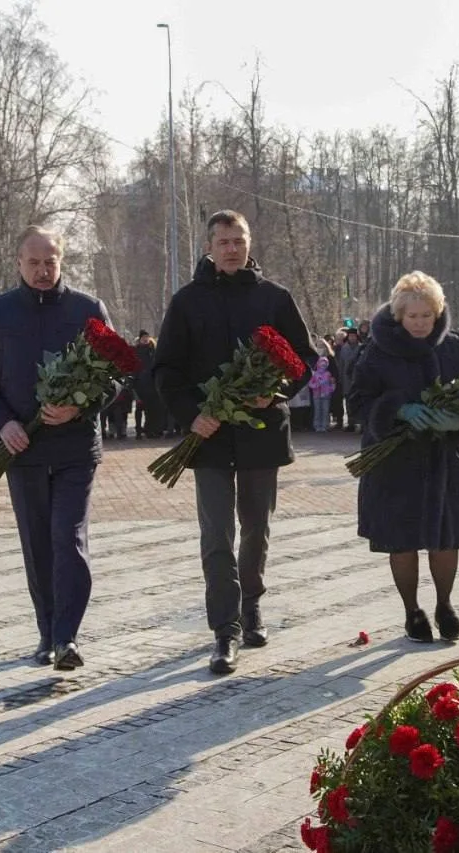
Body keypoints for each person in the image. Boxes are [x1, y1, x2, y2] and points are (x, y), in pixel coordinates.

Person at [153, 209, 314, 675]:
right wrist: (193, 416)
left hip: (262, 432)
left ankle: (252, 606)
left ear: (249, 243)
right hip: (210, 437)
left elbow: (303, 357)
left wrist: (278, 389)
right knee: (217, 533)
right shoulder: (186, 302)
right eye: (222, 241)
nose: (231, 248)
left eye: (238, 240)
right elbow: (166, 370)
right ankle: (225, 629)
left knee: (257, 529)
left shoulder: (275, 298)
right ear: (209, 246)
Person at [0, 225, 112, 672]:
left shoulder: (88, 310)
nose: (43, 271)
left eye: (51, 262)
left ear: (62, 260)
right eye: (34, 263)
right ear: (18, 263)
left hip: (75, 447)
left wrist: (79, 409)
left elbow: (115, 375)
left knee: (68, 538)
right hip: (22, 450)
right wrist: (3, 423)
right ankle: (46, 633)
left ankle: (67, 637)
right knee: (37, 545)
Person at [349, 271, 459, 643]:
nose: (421, 323)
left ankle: (445, 604)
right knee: (402, 541)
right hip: (396, 464)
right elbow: (357, 402)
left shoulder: (456, 349)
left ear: (438, 312)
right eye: (413, 316)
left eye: (427, 315)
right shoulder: (377, 351)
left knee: (446, 538)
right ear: (399, 315)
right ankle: (412, 611)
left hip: (445, 462)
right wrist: (397, 410)